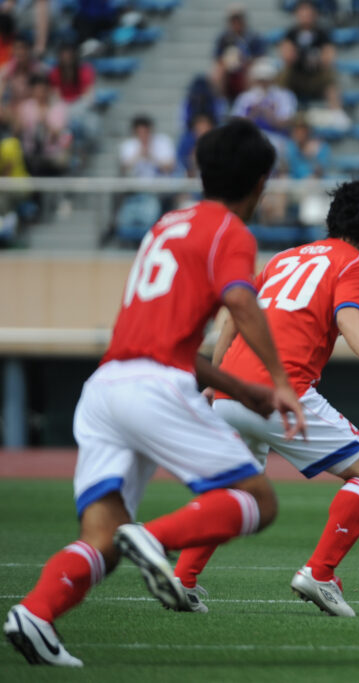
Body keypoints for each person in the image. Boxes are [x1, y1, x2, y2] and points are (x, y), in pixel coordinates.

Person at [3, 119, 306, 667]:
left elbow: (173, 340)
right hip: (153, 386)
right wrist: (281, 382)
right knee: (258, 502)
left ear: (199, 170)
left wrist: (243, 389)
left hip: (104, 388)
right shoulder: (229, 231)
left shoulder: (167, 224)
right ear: (262, 182)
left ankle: (37, 613)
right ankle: (156, 540)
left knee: (99, 534)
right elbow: (241, 301)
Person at [172, 179, 359, 617]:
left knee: (235, 488)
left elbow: (234, 313)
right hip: (281, 392)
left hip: (233, 389)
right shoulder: (355, 265)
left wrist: (218, 376)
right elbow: (348, 316)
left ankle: (183, 578)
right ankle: (320, 573)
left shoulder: (286, 258)